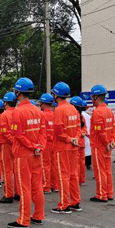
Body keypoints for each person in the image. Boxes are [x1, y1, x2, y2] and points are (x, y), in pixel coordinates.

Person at [7, 77, 47, 228]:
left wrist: (32, 146)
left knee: (24, 187)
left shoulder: (17, 112)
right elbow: (43, 132)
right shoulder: (38, 111)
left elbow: (18, 135)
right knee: (37, 186)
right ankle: (38, 216)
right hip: (36, 154)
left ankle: (24, 220)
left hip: (23, 154)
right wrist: (39, 147)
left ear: (17, 92)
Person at [51, 82, 81, 213]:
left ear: (56, 95)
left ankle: (64, 204)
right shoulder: (73, 108)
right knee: (73, 174)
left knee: (63, 175)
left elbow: (58, 132)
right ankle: (75, 201)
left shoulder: (59, 110)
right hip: (73, 147)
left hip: (62, 147)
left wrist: (69, 139)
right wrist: (75, 138)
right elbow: (79, 127)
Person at [89, 84, 115, 202]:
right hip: (107, 146)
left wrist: (106, 143)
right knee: (107, 170)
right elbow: (114, 128)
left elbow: (100, 132)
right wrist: (112, 141)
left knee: (100, 171)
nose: (91, 99)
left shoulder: (97, 112)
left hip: (99, 146)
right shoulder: (109, 111)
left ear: (96, 97)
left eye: (92, 97)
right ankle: (109, 193)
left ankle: (101, 194)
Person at [0, 92, 18, 204]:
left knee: (7, 170)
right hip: (18, 145)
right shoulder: (18, 113)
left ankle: (8, 194)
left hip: (7, 145)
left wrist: (12, 141)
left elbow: (4, 132)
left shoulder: (4, 115)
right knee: (17, 170)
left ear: (5, 103)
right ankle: (18, 193)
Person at [39, 93, 55, 193]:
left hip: (46, 143)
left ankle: (46, 186)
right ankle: (54, 185)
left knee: (45, 164)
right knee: (54, 164)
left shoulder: (42, 115)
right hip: (55, 142)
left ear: (43, 104)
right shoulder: (55, 114)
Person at [70, 96, 87, 184]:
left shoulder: (74, 115)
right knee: (81, 162)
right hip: (81, 142)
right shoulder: (81, 116)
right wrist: (82, 133)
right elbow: (84, 128)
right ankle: (81, 179)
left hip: (75, 142)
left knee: (76, 163)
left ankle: (77, 180)